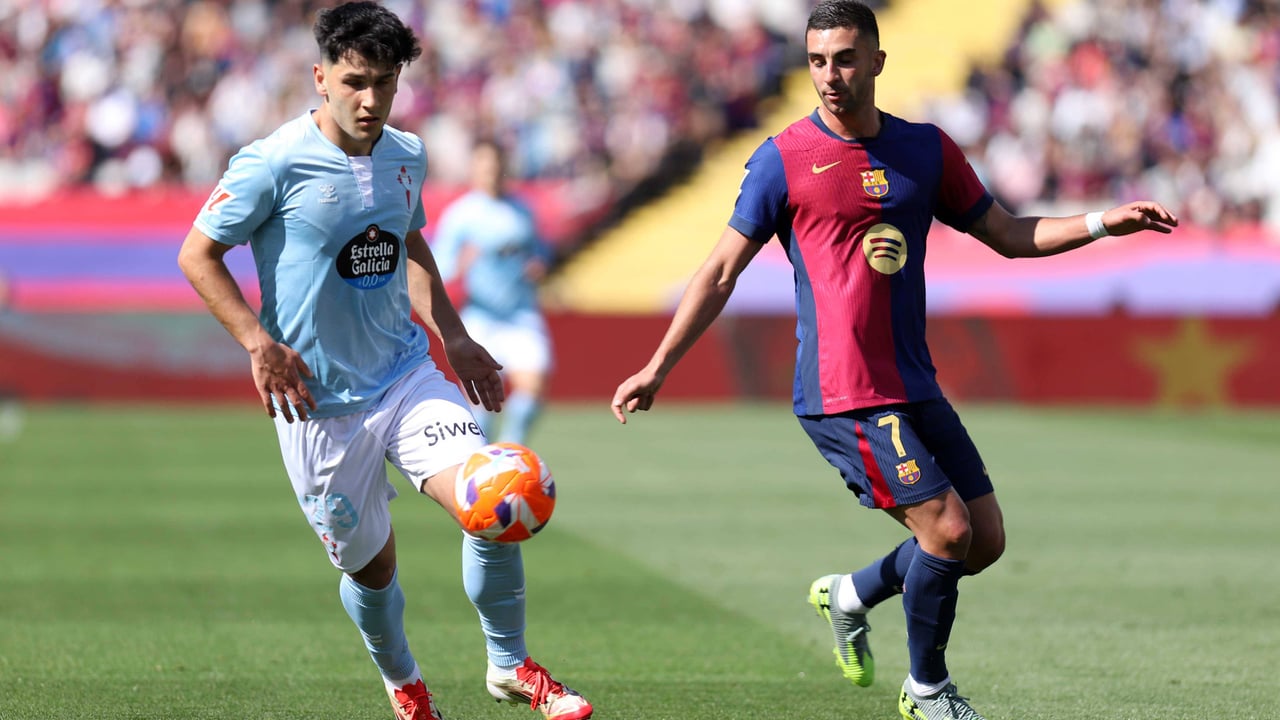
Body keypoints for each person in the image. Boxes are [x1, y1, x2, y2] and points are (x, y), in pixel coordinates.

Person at [609, 2, 1178, 719]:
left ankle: (850, 594)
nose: (830, 76)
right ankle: (928, 691)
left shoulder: (925, 150)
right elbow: (721, 271)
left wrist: (1104, 221)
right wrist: (658, 365)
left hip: (912, 382)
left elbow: (1007, 232)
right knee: (946, 531)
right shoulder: (782, 159)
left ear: (878, 60)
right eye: (817, 61)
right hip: (842, 390)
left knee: (983, 542)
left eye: (844, 59)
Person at [176, 4, 593, 719]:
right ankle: (404, 682)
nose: (370, 100)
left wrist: (454, 337)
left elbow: (408, 244)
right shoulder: (271, 162)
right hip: (319, 407)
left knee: (489, 498)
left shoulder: (406, 154)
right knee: (373, 574)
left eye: (386, 83)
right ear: (321, 77)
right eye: (354, 81)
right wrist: (256, 341)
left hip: (405, 375)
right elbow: (197, 255)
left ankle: (509, 663)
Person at [432, 138, 554, 446]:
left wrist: (538, 265)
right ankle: (481, 457)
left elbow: (539, 252)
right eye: (486, 165)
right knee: (482, 397)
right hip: (480, 317)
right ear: (474, 169)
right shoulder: (461, 214)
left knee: (533, 386)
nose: (492, 171)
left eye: (497, 165)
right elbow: (437, 267)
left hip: (521, 313)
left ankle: (512, 450)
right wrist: (461, 263)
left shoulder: (522, 210)